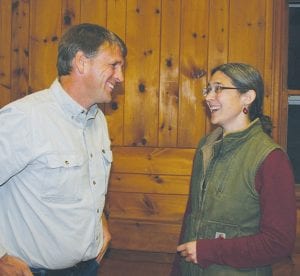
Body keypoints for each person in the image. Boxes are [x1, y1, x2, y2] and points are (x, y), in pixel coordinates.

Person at [0, 23, 127, 276]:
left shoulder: (97, 119)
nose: (120, 76)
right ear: (81, 62)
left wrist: (98, 220)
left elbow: (82, 186)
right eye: (113, 65)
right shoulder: (25, 117)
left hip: (88, 267)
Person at [172, 63, 297, 275]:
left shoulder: (271, 159)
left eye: (218, 88)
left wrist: (209, 250)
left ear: (247, 97)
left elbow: (278, 243)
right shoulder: (206, 146)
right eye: (208, 89)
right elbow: (191, 218)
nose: (209, 97)